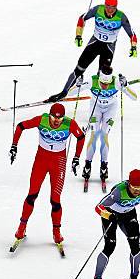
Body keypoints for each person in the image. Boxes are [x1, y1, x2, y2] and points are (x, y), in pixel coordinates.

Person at [9, 103, 85, 245]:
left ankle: (56, 233)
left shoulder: (70, 123)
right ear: (49, 115)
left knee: (55, 200)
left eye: (60, 119)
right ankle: (21, 228)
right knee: (32, 194)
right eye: (53, 118)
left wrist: (76, 158)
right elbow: (20, 126)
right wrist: (14, 146)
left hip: (59, 162)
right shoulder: (41, 119)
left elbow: (81, 137)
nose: (56, 121)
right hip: (41, 160)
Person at [46, 0, 137, 103]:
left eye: (113, 8)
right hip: (94, 44)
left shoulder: (121, 17)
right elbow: (82, 18)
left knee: (102, 76)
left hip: (108, 49)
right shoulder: (98, 9)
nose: (110, 10)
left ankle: (100, 100)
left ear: (116, 7)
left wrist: (133, 47)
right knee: (79, 69)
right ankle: (63, 93)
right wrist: (78, 35)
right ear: (104, 5)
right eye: (108, 7)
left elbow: (132, 34)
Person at [73, 64, 136, 183]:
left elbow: (134, 97)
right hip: (95, 108)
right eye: (102, 83)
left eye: (107, 84)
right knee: (94, 134)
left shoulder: (117, 82)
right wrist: (78, 84)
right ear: (99, 78)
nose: (105, 86)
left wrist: (126, 85)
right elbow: (71, 93)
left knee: (104, 134)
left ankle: (104, 166)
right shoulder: (92, 81)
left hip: (110, 109)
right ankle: (87, 165)